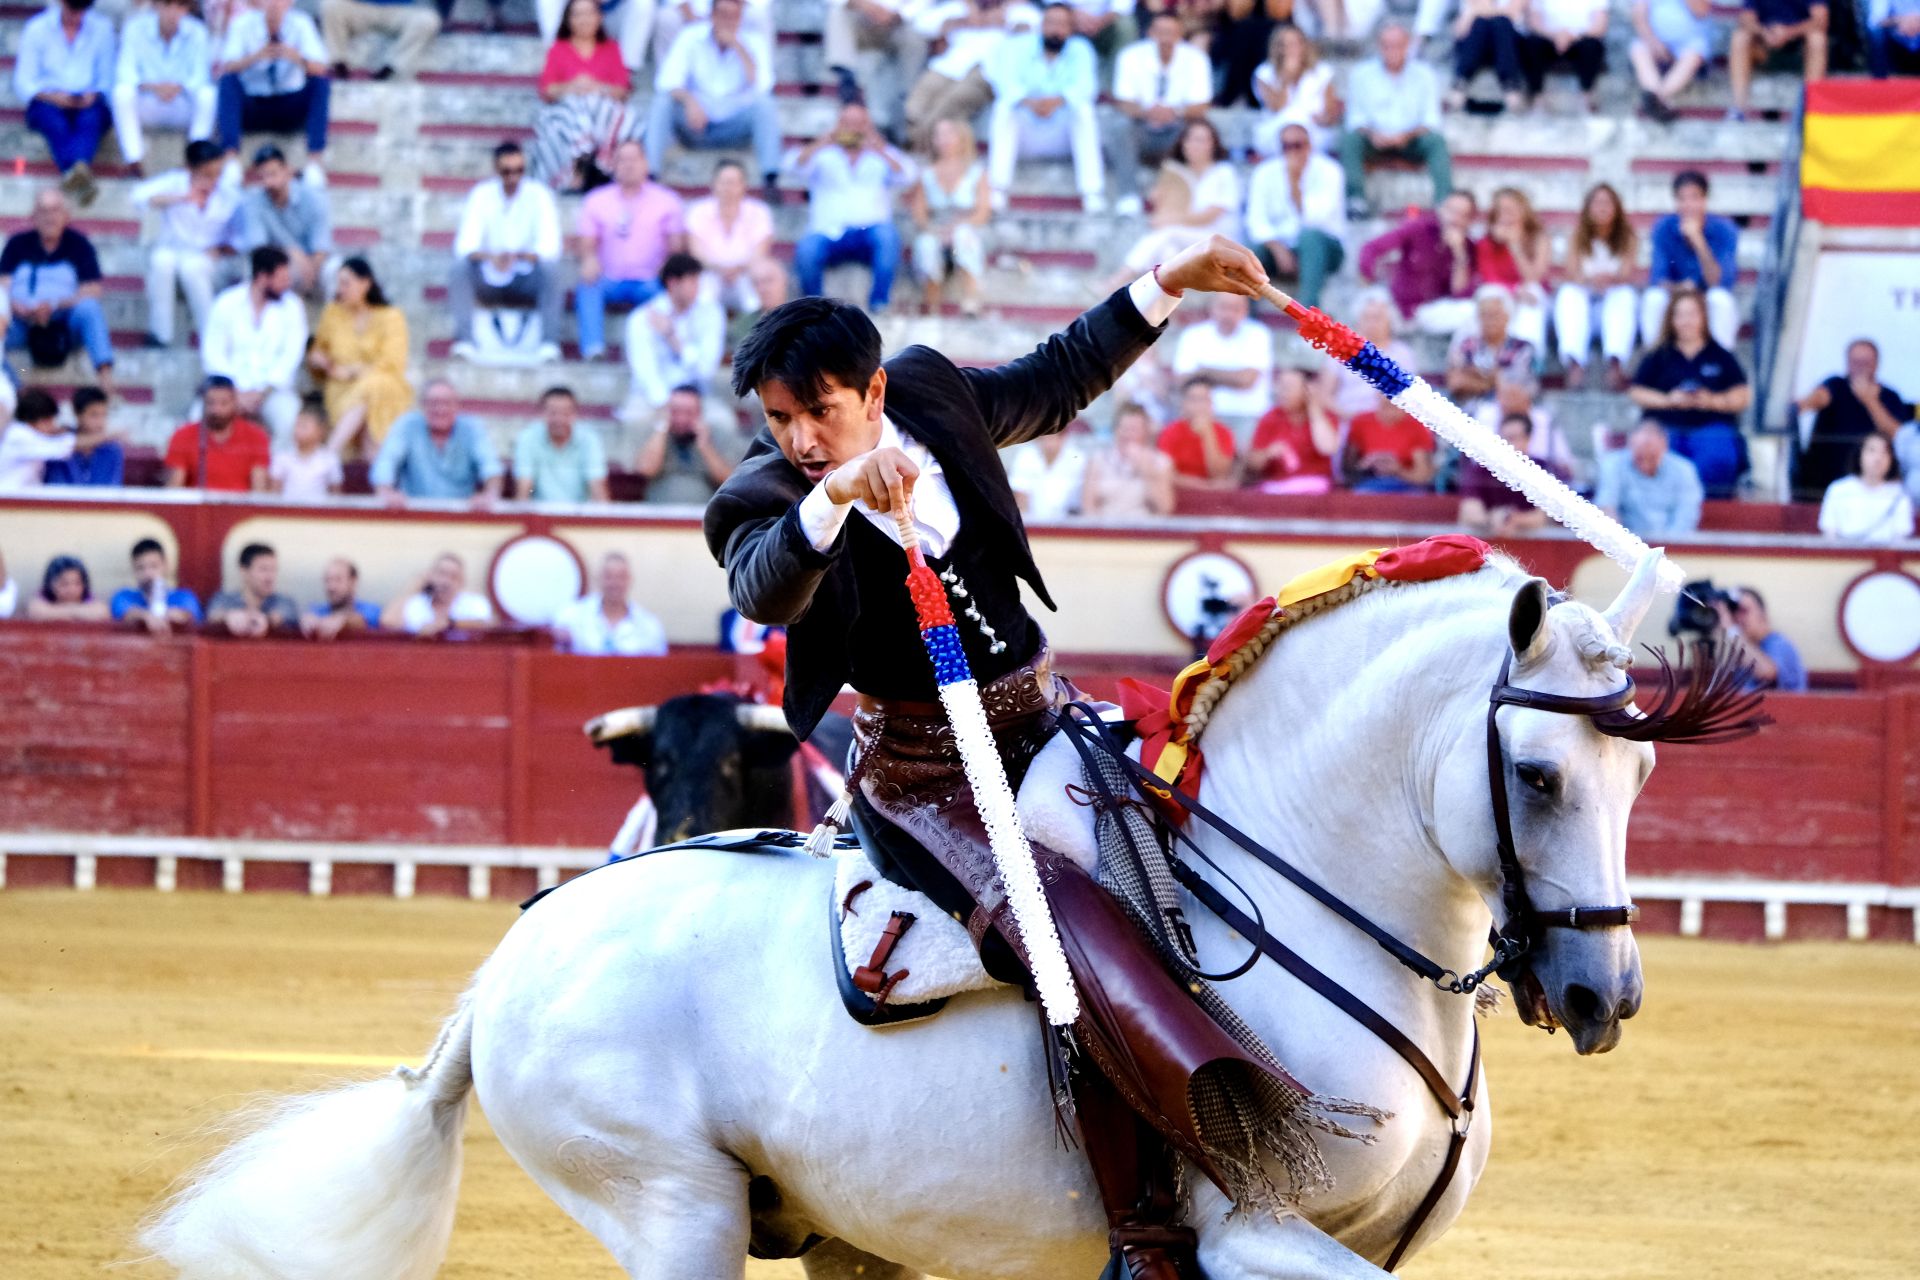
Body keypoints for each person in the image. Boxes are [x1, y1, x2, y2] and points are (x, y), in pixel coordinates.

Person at [704, 235, 1280, 1280]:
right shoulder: (757, 498)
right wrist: (834, 494)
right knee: (1063, 934)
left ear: (875, 389)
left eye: (818, 413)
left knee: (1199, 861)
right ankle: (1145, 1231)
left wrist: (1167, 284)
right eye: (779, 418)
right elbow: (763, 586)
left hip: (1046, 716)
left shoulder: (929, 393)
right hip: (922, 773)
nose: (796, 437)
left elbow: (1053, 381)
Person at [646, 0, 781, 201]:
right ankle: (650, 175)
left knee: (766, 105)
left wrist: (738, 46)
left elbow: (762, 87)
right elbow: (667, 81)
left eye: (733, 15)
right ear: (712, 15)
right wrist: (689, 101)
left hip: (735, 127)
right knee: (662, 102)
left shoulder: (754, 41)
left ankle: (770, 178)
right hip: (695, 125)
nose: (727, 20)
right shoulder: (690, 36)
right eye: (723, 14)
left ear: (741, 17)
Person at [788, 101, 911, 310]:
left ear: (868, 125)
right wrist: (823, 141)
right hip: (829, 231)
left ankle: (879, 303)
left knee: (888, 238)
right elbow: (793, 166)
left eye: (859, 123)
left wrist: (880, 149)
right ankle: (813, 310)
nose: (853, 128)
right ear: (838, 124)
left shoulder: (881, 153)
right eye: (847, 122)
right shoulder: (823, 153)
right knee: (807, 250)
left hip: (869, 230)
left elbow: (908, 175)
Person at [449, 141, 564, 363]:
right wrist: (493, 257)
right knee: (459, 269)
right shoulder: (481, 194)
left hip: (525, 274)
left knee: (551, 270)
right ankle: (465, 341)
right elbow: (464, 246)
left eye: (519, 171)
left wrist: (516, 257)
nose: (513, 178)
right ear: (496, 169)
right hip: (489, 274)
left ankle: (549, 343)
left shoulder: (539, 195)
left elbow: (551, 247)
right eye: (507, 171)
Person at [1630, 286, 1750, 498]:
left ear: (1703, 317)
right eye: (1680, 315)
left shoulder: (1721, 355)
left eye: (1692, 314)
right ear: (1671, 319)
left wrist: (1711, 401)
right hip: (1666, 427)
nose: (1687, 321)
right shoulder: (1658, 355)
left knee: (1717, 457)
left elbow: (1742, 395)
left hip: (1710, 428)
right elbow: (1637, 392)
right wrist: (1669, 400)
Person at [985, 2, 1105, 214]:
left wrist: (1056, 101)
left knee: (1083, 111)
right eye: (1050, 23)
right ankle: (998, 189)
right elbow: (1004, 84)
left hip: (1061, 136)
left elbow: (1086, 88)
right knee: (1004, 108)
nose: (1055, 30)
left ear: (1071, 29)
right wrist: (1031, 102)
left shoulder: (1081, 49)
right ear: (1041, 25)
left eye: (1062, 24)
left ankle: (1092, 192)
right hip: (1025, 134)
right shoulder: (1017, 46)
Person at [574, 140, 688, 361]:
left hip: (651, 280)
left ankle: (661, 353)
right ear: (613, 165)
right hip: (609, 278)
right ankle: (593, 349)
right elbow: (587, 242)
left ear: (645, 163)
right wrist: (589, 258)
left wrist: (666, 270)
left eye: (633, 159)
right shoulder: (596, 200)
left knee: (669, 291)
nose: (628, 165)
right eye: (622, 160)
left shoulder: (667, 201)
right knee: (587, 286)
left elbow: (676, 246)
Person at [0, 187, 116, 395]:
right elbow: (3, 286)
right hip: (21, 322)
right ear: (33, 216)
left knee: (89, 309)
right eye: (43, 211)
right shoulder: (17, 244)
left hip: (63, 322)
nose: (49, 217)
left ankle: (106, 381)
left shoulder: (79, 244)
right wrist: (18, 307)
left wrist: (54, 306)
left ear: (66, 215)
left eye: (55, 210)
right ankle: (16, 390)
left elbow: (93, 289)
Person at [134, 139, 243, 349]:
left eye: (217, 174)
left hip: (211, 262)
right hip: (175, 254)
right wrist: (181, 198)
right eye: (206, 175)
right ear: (189, 169)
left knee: (192, 267)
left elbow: (241, 238)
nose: (213, 181)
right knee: (160, 260)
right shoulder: (176, 183)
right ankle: (160, 335)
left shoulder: (229, 193)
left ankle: (211, 337)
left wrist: (221, 249)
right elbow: (138, 196)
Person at [1103, 10, 1212, 215]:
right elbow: (1123, 101)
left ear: (1180, 34)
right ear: (1150, 33)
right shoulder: (1131, 56)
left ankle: (1193, 197)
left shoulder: (1196, 59)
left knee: (1199, 130)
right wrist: (1148, 112)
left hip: (1177, 129)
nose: (1165, 38)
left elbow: (1202, 105)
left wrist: (1175, 112)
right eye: (1160, 32)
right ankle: (1128, 196)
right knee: (1120, 127)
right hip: (1141, 127)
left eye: (1171, 32)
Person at [1111, 119, 1240, 287]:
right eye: (1190, 139)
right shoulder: (1179, 173)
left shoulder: (1224, 173)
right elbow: (1167, 210)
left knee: (1167, 234)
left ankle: (1119, 279)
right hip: (1187, 239)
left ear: (1213, 144)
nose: (1194, 145)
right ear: (1183, 143)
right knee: (1167, 253)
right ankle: (1167, 310)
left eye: (1201, 140)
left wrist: (1170, 220)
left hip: (1218, 239)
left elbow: (1210, 216)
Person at [215, 0, 333, 184]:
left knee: (321, 84)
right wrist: (255, 57)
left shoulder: (301, 24)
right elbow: (227, 65)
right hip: (254, 104)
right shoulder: (242, 24)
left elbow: (321, 68)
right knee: (227, 83)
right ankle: (231, 160)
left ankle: (314, 162)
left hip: (289, 105)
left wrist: (296, 57)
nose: (274, 4)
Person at [1342, 21, 1450, 218]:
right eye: (1387, 45)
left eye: (1398, 45)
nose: (1392, 50)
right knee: (1349, 139)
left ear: (1408, 45)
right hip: (1374, 139)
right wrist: (1374, 134)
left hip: (1411, 139)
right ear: (1378, 46)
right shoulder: (1361, 74)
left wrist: (1405, 136)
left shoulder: (1425, 74)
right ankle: (1355, 199)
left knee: (1437, 142)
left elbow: (1431, 120)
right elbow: (1355, 119)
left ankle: (1445, 202)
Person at [532, 0, 642, 192]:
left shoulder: (611, 48)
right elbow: (547, 91)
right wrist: (571, 87)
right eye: (577, 15)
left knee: (626, 116)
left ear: (599, 18)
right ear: (568, 20)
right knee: (566, 116)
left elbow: (623, 90)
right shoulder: (558, 49)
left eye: (589, 14)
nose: (584, 20)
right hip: (566, 111)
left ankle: (601, 165)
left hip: (602, 112)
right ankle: (576, 169)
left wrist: (597, 87)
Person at [201, 246, 308, 442]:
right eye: (282, 279)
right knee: (199, 421)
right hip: (229, 390)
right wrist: (235, 393)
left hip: (272, 390)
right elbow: (213, 353)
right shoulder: (226, 303)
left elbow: (291, 355)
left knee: (288, 419)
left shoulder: (293, 307)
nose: (288, 284)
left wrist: (262, 392)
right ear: (262, 277)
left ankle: (275, 472)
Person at [13, 0, 115, 203]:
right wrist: (53, 96)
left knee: (90, 119)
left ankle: (74, 175)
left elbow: (107, 77)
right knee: (55, 122)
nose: (76, 16)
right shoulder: (37, 29)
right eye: (72, 8)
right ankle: (78, 171)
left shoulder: (102, 29)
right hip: (48, 100)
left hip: (88, 101)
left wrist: (91, 95)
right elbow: (24, 82)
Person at [310, 258, 411, 457]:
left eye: (346, 283)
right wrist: (317, 359)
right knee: (372, 396)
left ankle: (331, 451)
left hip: (383, 386)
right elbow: (319, 351)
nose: (341, 290)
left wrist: (350, 371)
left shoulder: (391, 316)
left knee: (375, 387)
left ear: (365, 283)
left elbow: (392, 362)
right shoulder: (333, 313)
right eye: (339, 284)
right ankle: (376, 476)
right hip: (341, 391)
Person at [1795, 339, 1912, 501]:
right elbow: (1820, 397)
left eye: (1865, 362)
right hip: (1826, 478)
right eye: (1855, 361)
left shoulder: (1890, 396)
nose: (1860, 366)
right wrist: (1801, 405)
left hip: (1873, 482)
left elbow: (1899, 435)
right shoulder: (1836, 384)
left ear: (1876, 364)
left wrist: (1870, 401)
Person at [1245, 122, 1346, 309]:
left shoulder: (1330, 171)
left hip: (1324, 249)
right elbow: (1255, 220)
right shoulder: (1264, 173)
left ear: (1310, 144)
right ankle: (1245, 314)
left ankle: (1308, 312)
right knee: (1249, 253)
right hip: (1280, 247)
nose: (1292, 151)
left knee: (1310, 238)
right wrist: (1277, 248)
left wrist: (1294, 183)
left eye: (1297, 145)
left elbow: (1315, 219)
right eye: (1286, 146)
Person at [112, 0, 215, 177]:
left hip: (181, 103)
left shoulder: (197, 31)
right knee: (121, 93)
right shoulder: (135, 28)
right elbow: (125, 72)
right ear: (157, 5)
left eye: (180, 6)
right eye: (168, 5)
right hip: (148, 102)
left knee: (208, 95)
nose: (173, 12)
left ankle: (197, 160)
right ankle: (134, 161)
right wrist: (155, 87)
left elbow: (201, 76)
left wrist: (178, 87)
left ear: (187, 9)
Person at [1554, 182, 1640, 391]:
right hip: (1585, 304)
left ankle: (1615, 363)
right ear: (1588, 207)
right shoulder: (1577, 235)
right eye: (1597, 203)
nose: (1602, 208)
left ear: (1616, 207)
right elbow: (1572, 273)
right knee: (1568, 294)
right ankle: (1575, 363)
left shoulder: (1627, 236)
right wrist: (1592, 281)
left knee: (1624, 295)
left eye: (1607, 203)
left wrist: (1609, 280)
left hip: (1611, 305)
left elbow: (1627, 274)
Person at [1643, 170, 1740, 351]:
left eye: (1694, 198)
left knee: (1720, 300)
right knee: (1653, 299)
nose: (1688, 205)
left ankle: (1721, 366)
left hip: (1706, 297)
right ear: (1676, 202)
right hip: (1676, 297)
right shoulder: (1664, 228)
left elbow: (1718, 282)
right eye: (1682, 199)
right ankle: (1655, 361)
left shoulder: (1724, 230)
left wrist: (1698, 241)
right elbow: (1658, 279)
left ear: (1704, 200)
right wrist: (1681, 289)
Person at [1357, 190, 1478, 334]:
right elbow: (1373, 248)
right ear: (1440, 210)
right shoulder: (1419, 229)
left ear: (1469, 221)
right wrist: (1367, 275)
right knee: (1368, 302)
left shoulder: (1469, 247)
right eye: (1451, 211)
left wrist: (1459, 253)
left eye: (1462, 215)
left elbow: (1459, 294)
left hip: (1429, 312)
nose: (1454, 219)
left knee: (1471, 311)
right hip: (1396, 306)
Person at [370, 379, 505, 504]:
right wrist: (385, 492)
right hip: (414, 514)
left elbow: (490, 465)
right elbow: (386, 462)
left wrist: (490, 495)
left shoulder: (472, 428)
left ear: (457, 406)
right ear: (422, 406)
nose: (440, 409)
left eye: (446, 403)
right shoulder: (407, 425)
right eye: (433, 403)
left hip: (460, 516)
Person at [625, 253, 725, 415]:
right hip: (652, 396)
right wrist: (665, 403)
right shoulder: (642, 318)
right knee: (636, 419)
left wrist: (672, 338)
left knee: (722, 423)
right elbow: (644, 369)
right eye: (692, 281)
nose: (697, 287)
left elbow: (706, 370)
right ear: (673, 283)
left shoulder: (711, 313)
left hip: (698, 395)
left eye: (697, 281)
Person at [908, 118, 990, 316]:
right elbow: (919, 213)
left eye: (949, 134)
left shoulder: (976, 171)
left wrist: (956, 227)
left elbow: (982, 212)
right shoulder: (926, 173)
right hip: (936, 228)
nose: (943, 140)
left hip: (969, 226)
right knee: (926, 245)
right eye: (939, 135)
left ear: (962, 138)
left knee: (964, 237)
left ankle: (970, 300)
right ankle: (931, 303)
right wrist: (935, 230)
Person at [237, 144, 334, 301]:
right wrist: (291, 251)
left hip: (314, 262)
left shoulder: (313, 198)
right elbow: (258, 248)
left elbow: (321, 246)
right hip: (278, 262)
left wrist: (310, 270)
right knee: (256, 270)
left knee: (335, 270)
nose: (269, 182)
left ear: (287, 171)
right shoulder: (253, 201)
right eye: (262, 177)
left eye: (273, 174)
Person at [822, 0, 929, 140]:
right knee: (837, 14)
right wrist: (861, 4)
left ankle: (909, 97)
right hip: (862, 20)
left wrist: (898, 14)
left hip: (899, 23)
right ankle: (845, 73)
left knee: (915, 40)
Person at [685, 158, 774, 314]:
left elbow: (760, 251)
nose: (728, 188)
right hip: (709, 273)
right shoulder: (698, 211)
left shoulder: (759, 211)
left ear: (744, 185)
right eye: (723, 182)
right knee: (703, 299)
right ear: (713, 184)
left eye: (733, 182)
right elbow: (696, 253)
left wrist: (738, 269)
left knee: (754, 299)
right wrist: (720, 269)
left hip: (746, 273)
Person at [1171, 292, 1272, 428]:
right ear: (1212, 307)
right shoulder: (1193, 334)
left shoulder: (1258, 334)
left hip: (1248, 416)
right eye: (1223, 307)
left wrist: (1203, 373)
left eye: (1235, 309)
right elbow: (1182, 380)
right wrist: (1232, 377)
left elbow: (1247, 380)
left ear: (1246, 310)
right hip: (1202, 416)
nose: (1228, 314)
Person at [1457, 411, 1567, 536]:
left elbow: (1543, 517)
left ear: (1527, 439)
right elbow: (1469, 511)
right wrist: (1492, 520)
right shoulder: (1481, 468)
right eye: (1503, 438)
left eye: (1513, 438)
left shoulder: (1541, 470)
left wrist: (1512, 519)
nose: (1507, 444)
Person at [634, 383, 744, 502]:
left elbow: (730, 482)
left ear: (700, 413)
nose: (682, 419)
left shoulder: (718, 435)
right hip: (658, 513)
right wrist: (662, 428)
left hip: (704, 513)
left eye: (689, 412)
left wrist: (705, 446)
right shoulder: (654, 434)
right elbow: (645, 471)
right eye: (675, 411)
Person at [1594, 418, 1703, 537]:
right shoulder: (1612, 464)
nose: (1645, 461)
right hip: (1626, 544)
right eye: (1639, 457)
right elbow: (1607, 507)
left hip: (1673, 546)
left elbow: (1686, 515)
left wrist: (1668, 546)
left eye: (1651, 456)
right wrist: (1622, 542)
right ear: (1630, 445)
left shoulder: (1684, 469)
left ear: (1664, 445)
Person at [163, 376, 272, 491]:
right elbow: (174, 489)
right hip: (197, 507)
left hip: (240, 507)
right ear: (203, 403)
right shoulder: (183, 436)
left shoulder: (256, 436)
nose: (216, 410)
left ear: (235, 402)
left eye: (223, 403)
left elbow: (259, 490)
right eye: (211, 403)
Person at [1475, 187, 1549, 354]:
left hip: (1529, 294)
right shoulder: (1485, 242)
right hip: (1503, 292)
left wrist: (1514, 246)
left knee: (1533, 293)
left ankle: (1529, 357)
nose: (1507, 216)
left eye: (1511, 210)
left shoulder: (1538, 238)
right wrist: (1515, 290)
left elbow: (1534, 277)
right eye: (1502, 211)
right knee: (1489, 295)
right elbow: (1489, 278)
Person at [1250, 25, 1340, 160]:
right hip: (1277, 130)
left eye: (1294, 44)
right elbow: (1277, 107)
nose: (1289, 49)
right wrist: (1286, 78)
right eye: (1283, 45)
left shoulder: (1322, 72)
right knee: (1291, 118)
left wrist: (1323, 119)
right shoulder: (1264, 73)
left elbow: (1331, 112)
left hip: (1314, 131)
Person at [552, 551, 669, 654]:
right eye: (608, 577)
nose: (615, 583)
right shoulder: (571, 616)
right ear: (598, 578)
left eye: (621, 577)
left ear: (630, 580)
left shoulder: (649, 625)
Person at [1728, 0, 1826, 121]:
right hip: (1765, 49)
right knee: (1740, 38)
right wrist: (1765, 32)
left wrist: (1788, 32)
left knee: (1817, 39)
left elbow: (1821, 20)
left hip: (1799, 50)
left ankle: (1812, 108)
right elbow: (1746, 19)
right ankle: (1739, 108)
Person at [1246, 366, 1337, 493]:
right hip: (1276, 486)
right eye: (1280, 386)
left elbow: (1328, 448)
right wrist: (1268, 453)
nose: (1281, 392)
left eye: (1288, 387)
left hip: (1314, 487)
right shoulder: (1270, 417)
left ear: (1306, 390)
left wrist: (1314, 408)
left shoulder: (1325, 416)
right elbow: (1252, 463)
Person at [514, 386, 610, 503]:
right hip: (540, 514)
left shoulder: (589, 439)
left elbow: (597, 484)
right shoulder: (528, 438)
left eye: (565, 413)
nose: (558, 419)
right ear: (542, 413)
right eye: (552, 413)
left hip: (579, 515)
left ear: (575, 414)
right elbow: (524, 485)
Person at [1081, 400, 1175, 517]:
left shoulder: (1161, 462)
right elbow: (1088, 506)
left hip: (1144, 529)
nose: (1127, 434)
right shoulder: (1098, 460)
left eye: (1133, 429)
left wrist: (1146, 469)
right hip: (1106, 527)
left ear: (1145, 432)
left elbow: (1165, 508)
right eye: (1124, 428)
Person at [1819, 434, 1913, 543]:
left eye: (1885, 452)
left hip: (1885, 556)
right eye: (1872, 451)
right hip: (1846, 555)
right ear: (1860, 455)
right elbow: (1829, 532)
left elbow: (1901, 536)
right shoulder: (1838, 489)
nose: (1878, 458)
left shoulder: (1899, 494)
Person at [1630, 0, 1713, 120]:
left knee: (1695, 53)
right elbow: (1639, 16)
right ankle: (1656, 99)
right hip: (1655, 41)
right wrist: (1653, 42)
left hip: (1691, 42)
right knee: (1638, 49)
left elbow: (1701, 11)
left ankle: (1657, 98)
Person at [321, 0, 441, 82]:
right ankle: (338, 62)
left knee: (428, 20)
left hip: (400, 10)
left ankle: (393, 68)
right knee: (330, 4)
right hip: (360, 7)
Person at [382, 551, 495, 635]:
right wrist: (413, 588)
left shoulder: (473, 603)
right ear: (430, 576)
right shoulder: (417, 603)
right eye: (441, 574)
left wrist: (450, 624)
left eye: (453, 577)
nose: (446, 582)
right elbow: (387, 622)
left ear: (461, 582)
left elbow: (489, 626)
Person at [1156, 375, 1238, 489]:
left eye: (1204, 399)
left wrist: (1208, 434)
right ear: (1183, 403)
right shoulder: (1170, 432)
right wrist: (1200, 485)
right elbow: (1165, 473)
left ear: (1211, 403)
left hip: (1213, 496)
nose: (1199, 406)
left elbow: (1220, 474)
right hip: (1180, 493)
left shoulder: (1224, 432)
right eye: (1193, 399)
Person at [1447, 0, 1528, 113]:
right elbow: (1460, 28)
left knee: (1500, 24)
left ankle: (1461, 81)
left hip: (1509, 43)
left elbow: (1511, 13)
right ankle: (1510, 86)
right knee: (1481, 24)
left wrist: (1478, 12)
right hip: (1479, 41)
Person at [1523, 0, 1609, 107]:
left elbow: (1600, 25)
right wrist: (1555, 36)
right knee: (1532, 43)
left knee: (1591, 45)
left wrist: (1572, 36)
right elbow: (1534, 22)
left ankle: (1586, 97)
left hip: (1580, 40)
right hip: (1549, 39)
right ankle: (1537, 98)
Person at [110, 538, 204, 634]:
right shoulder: (123, 596)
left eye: (154, 566)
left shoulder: (184, 596)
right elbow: (125, 614)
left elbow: (188, 616)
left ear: (165, 566)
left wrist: (171, 616)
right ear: (133, 570)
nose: (148, 573)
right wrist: (146, 616)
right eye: (140, 568)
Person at [1721, 587, 1807, 692]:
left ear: (1763, 615)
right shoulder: (1746, 649)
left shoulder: (1779, 643)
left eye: (1744, 611)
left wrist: (1731, 630)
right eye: (1733, 612)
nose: (1738, 618)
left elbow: (1767, 672)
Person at [206, 542, 301, 636]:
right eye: (263, 569)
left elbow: (284, 615)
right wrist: (228, 618)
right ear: (244, 571)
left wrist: (265, 620)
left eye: (273, 570)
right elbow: (213, 615)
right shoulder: (224, 599)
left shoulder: (284, 602)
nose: (270, 577)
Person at [1344, 396, 1435, 492]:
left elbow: (1422, 476)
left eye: (1395, 407)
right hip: (1369, 481)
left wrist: (1398, 469)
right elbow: (1349, 467)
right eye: (1386, 406)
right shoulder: (1361, 422)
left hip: (1407, 484)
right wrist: (1365, 465)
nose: (1390, 412)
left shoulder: (1416, 426)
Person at [44, 385, 123, 486]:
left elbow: (112, 491)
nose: (100, 422)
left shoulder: (112, 450)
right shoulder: (60, 444)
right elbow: (56, 488)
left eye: (104, 415)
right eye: (94, 415)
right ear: (77, 414)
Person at [1006, 424, 1088, 519]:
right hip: (1033, 523)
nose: (1048, 443)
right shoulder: (1025, 456)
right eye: (1045, 437)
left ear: (1063, 437)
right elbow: (1021, 498)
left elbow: (1082, 502)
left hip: (1069, 524)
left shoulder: (1078, 459)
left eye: (1053, 437)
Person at [0, 390, 75, 490]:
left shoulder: (26, 434)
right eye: (49, 421)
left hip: (23, 499)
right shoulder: (18, 435)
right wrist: (100, 437)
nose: (52, 426)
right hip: (7, 499)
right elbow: (62, 449)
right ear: (37, 420)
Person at [271, 404, 344, 499]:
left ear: (321, 431)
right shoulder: (282, 457)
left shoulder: (329, 459)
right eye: (297, 425)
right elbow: (274, 493)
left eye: (304, 426)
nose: (298, 430)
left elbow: (335, 494)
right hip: (288, 511)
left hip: (319, 511)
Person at [301, 556, 381, 639]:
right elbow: (308, 617)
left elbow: (365, 620)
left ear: (353, 582)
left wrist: (345, 620)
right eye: (327, 580)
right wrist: (306, 619)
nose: (331, 587)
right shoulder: (317, 610)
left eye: (338, 580)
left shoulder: (371, 609)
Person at [26, 554, 110, 621]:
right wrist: (78, 612)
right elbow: (36, 611)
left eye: (77, 583)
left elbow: (103, 612)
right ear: (50, 584)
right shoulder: (43, 597)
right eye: (64, 584)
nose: (71, 590)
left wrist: (63, 612)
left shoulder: (88, 598)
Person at [1865, 0, 1920, 74]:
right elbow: (1875, 21)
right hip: (1896, 39)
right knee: (1877, 33)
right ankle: (1880, 80)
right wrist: (1900, 21)